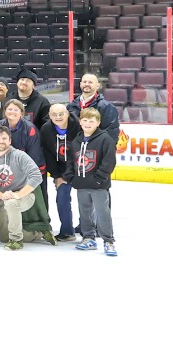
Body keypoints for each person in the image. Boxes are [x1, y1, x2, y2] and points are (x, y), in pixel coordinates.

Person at [0, 124, 56, 250]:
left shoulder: (20, 155)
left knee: (11, 203)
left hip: (25, 195)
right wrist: (2, 195)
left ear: (10, 140)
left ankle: (16, 240)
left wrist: (18, 194)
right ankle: (38, 232)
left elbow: (37, 176)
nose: (1, 141)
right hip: (3, 197)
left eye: (4, 138)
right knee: (3, 238)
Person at [66, 107, 117, 256]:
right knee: (85, 212)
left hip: (98, 186)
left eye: (91, 121)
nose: (88, 123)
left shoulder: (105, 139)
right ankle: (88, 238)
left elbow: (109, 161)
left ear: (98, 122)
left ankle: (108, 241)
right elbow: (71, 160)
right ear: (80, 122)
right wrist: (71, 177)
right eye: (85, 120)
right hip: (81, 184)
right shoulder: (77, 139)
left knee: (102, 212)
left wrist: (99, 179)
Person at [41, 103, 81, 242]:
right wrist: (57, 176)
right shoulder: (46, 129)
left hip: (81, 167)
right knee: (62, 196)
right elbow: (48, 155)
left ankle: (90, 227)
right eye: (54, 114)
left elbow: (81, 152)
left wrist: (69, 173)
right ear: (50, 116)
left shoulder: (78, 126)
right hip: (61, 170)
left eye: (61, 114)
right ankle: (67, 231)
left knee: (87, 198)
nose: (58, 117)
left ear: (68, 114)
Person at [67, 73, 120, 143]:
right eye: (84, 82)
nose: (87, 84)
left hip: (96, 149)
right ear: (80, 84)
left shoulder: (106, 107)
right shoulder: (71, 106)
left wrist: (106, 150)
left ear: (98, 86)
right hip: (76, 149)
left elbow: (111, 132)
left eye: (90, 82)